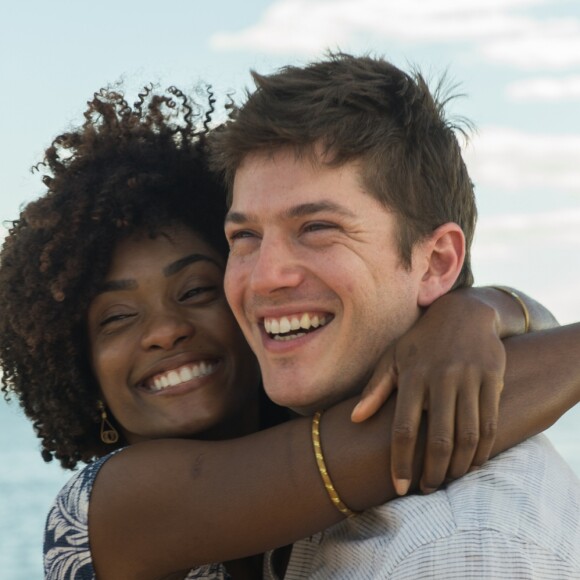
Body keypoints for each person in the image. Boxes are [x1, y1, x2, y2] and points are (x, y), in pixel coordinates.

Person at [0, 85, 576, 580]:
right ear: (80, 365)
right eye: (116, 318)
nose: (164, 332)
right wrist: (471, 315)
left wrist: (479, 310)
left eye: (197, 290)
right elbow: (404, 435)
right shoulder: (114, 506)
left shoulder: (313, 456)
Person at [211, 52, 580, 578]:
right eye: (244, 236)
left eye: (317, 228)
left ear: (436, 262)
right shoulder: (286, 448)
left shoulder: (457, 547)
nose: (266, 276)